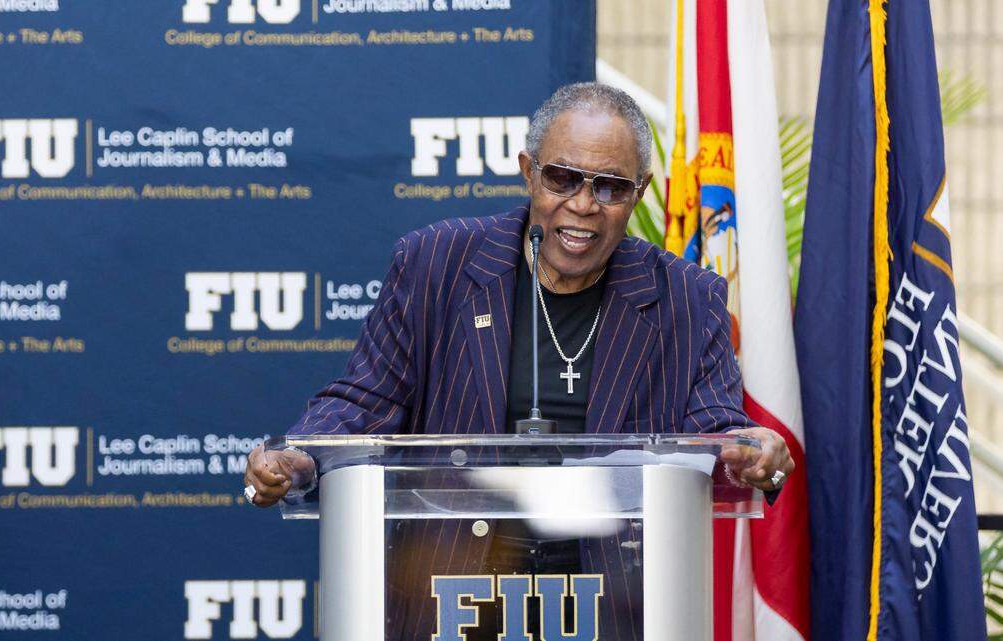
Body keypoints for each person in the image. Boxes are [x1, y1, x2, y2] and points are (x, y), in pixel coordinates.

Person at [244, 82, 795, 639]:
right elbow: (365, 401)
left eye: (609, 187)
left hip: (614, 606)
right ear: (528, 171)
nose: (582, 204)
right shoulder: (436, 264)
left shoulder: (686, 297)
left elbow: (715, 434)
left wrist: (750, 449)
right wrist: (299, 454)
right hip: (452, 596)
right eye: (562, 178)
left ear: (640, 192)